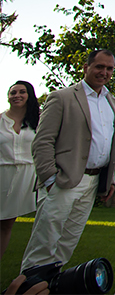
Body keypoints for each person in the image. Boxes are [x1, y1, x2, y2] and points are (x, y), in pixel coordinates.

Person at [23, 49, 115, 269]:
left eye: (109, 68)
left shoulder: (110, 101)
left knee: (68, 242)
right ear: (86, 68)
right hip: (64, 180)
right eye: (99, 67)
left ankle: (51, 284)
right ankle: (28, 286)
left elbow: (108, 143)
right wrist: (50, 179)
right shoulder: (62, 97)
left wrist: (110, 178)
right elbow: (42, 141)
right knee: (45, 241)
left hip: (94, 183)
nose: (104, 72)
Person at [1, 80, 39, 260]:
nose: (16, 95)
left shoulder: (37, 121)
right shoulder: (0, 120)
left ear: (29, 95)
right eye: (12, 92)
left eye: (21, 92)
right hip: (2, 172)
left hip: (26, 176)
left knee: (6, 224)